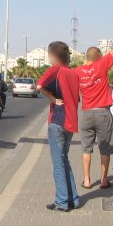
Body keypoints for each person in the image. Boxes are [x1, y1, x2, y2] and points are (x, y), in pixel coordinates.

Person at [76, 17, 113, 190]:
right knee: (105, 149)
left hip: (86, 113)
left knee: (86, 148)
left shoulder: (78, 71)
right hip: (102, 113)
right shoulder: (101, 66)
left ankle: (86, 179)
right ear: (99, 57)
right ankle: (103, 180)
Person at [37, 41, 80, 212]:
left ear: (53, 56)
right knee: (64, 160)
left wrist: (52, 99)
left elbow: (39, 86)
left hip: (58, 120)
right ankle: (73, 198)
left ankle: (62, 201)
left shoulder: (56, 70)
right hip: (71, 122)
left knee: (58, 164)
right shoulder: (73, 73)